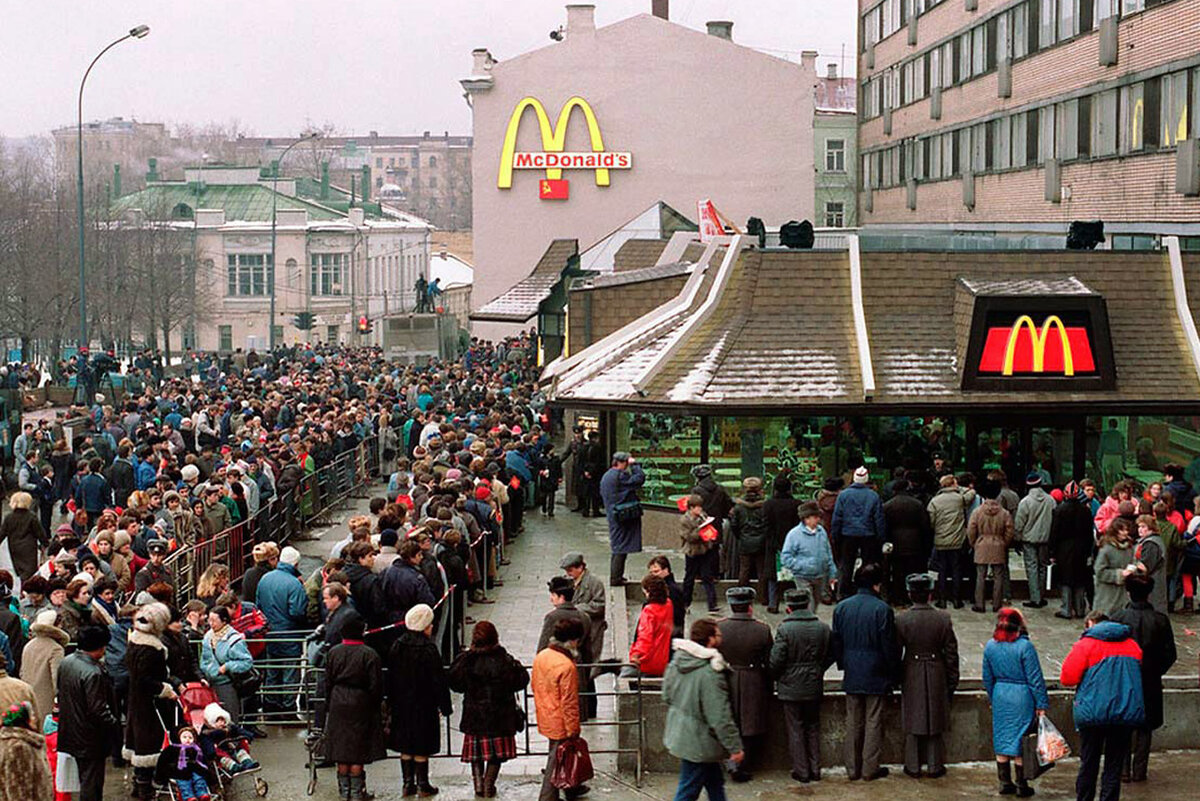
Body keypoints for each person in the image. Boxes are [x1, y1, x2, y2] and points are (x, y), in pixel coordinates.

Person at [1060, 612, 1145, 801]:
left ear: (1091, 623)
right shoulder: (1132, 646)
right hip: (1124, 712)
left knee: (1089, 762)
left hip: (1092, 713)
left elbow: (1067, 678)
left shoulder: (1085, 645)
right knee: (1114, 766)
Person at [662, 618, 744, 801]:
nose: (721, 638)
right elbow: (719, 715)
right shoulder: (710, 673)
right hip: (700, 741)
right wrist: (735, 747)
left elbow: (666, 695)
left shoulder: (677, 662)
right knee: (688, 791)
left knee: (714, 783)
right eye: (718, 634)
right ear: (710, 639)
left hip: (682, 733)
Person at [831, 562, 898, 781]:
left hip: (852, 669)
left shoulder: (842, 608)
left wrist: (843, 663)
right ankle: (870, 768)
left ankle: (852, 768)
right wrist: (893, 673)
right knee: (873, 720)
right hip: (876, 671)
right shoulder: (882, 609)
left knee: (853, 720)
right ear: (877, 585)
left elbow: (836, 642)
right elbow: (889, 646)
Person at [448, 621, 530, 798]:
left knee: (476, 754)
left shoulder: (467, 659)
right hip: (500, 717)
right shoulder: (504, 659)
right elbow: (522, 679)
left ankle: (478, 784)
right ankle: (488, 784)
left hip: (474, 716)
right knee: (495, 755)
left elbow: (455, 682)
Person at [1110, 574, 1176, 783]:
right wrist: (1155, 671)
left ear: (1128, 592)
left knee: (1123, 726)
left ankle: (1123, 770)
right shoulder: (1160, 620)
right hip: (1150, 680)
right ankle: (1139, 770)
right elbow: (1170, 654)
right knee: (1145, 728)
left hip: (1123, 681)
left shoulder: (1117, 618)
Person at [895, 573, 959, 778]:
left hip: (911, 669)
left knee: (912, 717)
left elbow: (895, 652)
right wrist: (952, 679)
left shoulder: (901, 619)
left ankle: (912, 765)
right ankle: (935, 764)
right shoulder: (943, 618)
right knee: (935, 717)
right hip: (936, 669)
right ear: (930, 594)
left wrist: (896, 677)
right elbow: (951, 653)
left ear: (910, 594)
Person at [981, 608, 1049, 798]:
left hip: (1000, 695)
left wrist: (993, 697)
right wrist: (1041, 704)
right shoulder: (1025, 647)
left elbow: (987, 677)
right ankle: (1021, 784)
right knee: (1021, 741)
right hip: (1022, 697)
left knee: (1002, 738)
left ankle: (1004, 782)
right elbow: (1035, 679)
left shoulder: (990, 646)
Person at [769, 585, 832, 784]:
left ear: (789, 607)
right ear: (807, 604)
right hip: (813, 684)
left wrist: (779, 676)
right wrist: (818, 669)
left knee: (795, 728)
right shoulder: (822, 628)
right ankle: (815, 769)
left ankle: (801, 770)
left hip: (791, 687)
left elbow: (776, 660)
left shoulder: (784, 629)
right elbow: (831, 654)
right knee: (813, 727)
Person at [387, 603, 451, 797]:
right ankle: (423, 784)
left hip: (401, 704)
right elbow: (438, 680)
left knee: (406, 744)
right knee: (421, 745)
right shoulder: (429, 649)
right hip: (424, 704)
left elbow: (390, 676)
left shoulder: (398, 645)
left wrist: (390, 701)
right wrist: (445, 706)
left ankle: (408, 784)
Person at [716, 586, 772, 782]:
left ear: (731, 605)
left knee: (730, 723)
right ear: (750, 606)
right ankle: (742, 765)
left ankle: (731, 763)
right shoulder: (762, 629)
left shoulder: (720, 627)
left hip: (727, 678)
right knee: (750, 727)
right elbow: (769, 661)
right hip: (753, 680)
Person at [325, 617, 384, 801]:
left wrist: (328, 703)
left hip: (338, 700)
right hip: (361, 702)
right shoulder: (369, 654)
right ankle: (358, 793)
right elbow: (376, 685)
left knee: (341, 749)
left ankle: (344, 793)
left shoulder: (333, 652)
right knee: (358, 750)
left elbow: (327, 681)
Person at [56, 625, 116, 801]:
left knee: (86, 779)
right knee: (92, 782)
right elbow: (98, 709)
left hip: (71, 730)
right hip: (90, 737)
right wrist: (113, 724)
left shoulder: (66, 662)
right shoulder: (93, 673)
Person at [123, 602, 177, 800]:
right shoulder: (152, 648)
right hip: (149, 703)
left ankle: (138, 785)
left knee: (139, 743)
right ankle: (144, 788)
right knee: (148, 745)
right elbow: (145, 679)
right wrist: (165, 689)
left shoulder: (135, 640)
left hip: (136, 700)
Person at [532, 617, 585, 801]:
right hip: (560, 720)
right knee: (555, 760)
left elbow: (535, 685)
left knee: (556, 755)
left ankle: (569, 789)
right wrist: (573, 729)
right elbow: (569, 702)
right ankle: (547, 797)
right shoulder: (567, 666)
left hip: (545, 713)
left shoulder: (542, 656)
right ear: (573, 640)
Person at [255, 545, 308, 714]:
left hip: (269, 633)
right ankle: (288, 707)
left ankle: (270, 706)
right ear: (295, 564)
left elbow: (258, 606)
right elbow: (297, 612)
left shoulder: (265, 579)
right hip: (289, 634)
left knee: (272, 671)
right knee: (290, 673)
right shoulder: (294, 584)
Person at [831, 466, 886, 601]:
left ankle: (842, 593)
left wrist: (835, 535)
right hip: (868, 534)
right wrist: (881, 538)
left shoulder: (843, 495)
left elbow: (837, 517)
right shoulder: (873, 496)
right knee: (868, 565)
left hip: (848, 534)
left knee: (846, 565)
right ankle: (867, 590)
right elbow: (878, 519)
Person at [926, 474, 975, 608]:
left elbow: (931, 521)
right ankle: (956, 599)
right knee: (956, 569)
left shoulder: (934, 501)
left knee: (942, 570)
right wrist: (959, 488)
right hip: (957, 539)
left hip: (941, 539)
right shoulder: (959, 499)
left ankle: (942, 599)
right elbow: (972, 492)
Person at [199, 606, 254, 723]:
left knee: (229, 718)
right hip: (209, 683)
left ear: (224, 621)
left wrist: (227, 666)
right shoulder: (208, 637)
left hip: (227, 684)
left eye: (214, 620)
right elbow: (204, 659)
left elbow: (246, 662)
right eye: (209, 620)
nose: (211, 624)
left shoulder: (234, 640)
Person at [883, 477, 934, 604]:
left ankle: (898, 597)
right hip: (915, 543)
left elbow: (884, 527)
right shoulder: (917, 504)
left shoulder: (888, 505)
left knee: (897, 572)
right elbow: (925, 526)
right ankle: (912, 596)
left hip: (896, 543)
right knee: (913, 570)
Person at [1051, 481, 1098, 620]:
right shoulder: (1085, 511)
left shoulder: (1060, 510)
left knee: (1065, 579)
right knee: (1080, 578)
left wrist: (1052, 551)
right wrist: (1089, 551)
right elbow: (1089, 534)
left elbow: (1054, 533)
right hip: (1081, 549)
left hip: (1064, 550)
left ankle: (1066, 608)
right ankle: (1080, 608)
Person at [599, 451, 645, 587]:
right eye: (626, 463)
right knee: (620, 548)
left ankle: (617, 576)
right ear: (621, 462)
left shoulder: (607, 475)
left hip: (613, 514)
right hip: (621, 516)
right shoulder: (620, 476)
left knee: (618, 546)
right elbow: (639, 479)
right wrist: (635, 465)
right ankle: (616, 578)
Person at [968, 479, 1015, 613]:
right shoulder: (1004, 513)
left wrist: (974, 543)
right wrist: (1003, 542)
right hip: (998, 543)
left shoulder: (977, 512)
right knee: (998, 576)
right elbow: (1009, 531)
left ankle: (979, 604)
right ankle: (997, 604)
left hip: (982, 543)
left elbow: (971, 530)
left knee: (980, 575)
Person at [779, 501, 837, 609]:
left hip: (820, 575)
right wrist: (802, 566)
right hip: (803, 576)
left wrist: (832, 572)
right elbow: (785, 557)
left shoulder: (821, 532)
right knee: (808, 604)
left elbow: (828, 552)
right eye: (815, 517)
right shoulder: (794, 534)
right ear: (806, 519)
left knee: (815, 604)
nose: (818, 519)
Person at [730, 477, 773, 611]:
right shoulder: (765, 506)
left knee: (744, 570)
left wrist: (741, 536)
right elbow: (768, 524)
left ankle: (741, 597)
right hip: (761, 542)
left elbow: (734, 525)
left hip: (745, 541)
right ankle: (764, 598)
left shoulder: (739, 507)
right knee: (761, 571)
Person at [1015, 473, 1056, 609]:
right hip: (1045, 538)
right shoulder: (1050, 500)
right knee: (1042, 567)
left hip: (1029, 539)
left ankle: (1035, 598)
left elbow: (1019, 523)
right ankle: (1041, 596)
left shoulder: (1025, 502)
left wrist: (1017, 538)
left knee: (1032, 568)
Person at [762, 474, 801, 614]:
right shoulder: (797, 504)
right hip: (794, 544)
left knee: (773, 575)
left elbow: (766, 525)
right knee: (794, 575)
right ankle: (794, 603)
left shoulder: (768, 504)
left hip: (774, 544)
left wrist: (772, 542)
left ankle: (773, 603)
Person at [20, 609, 66, 727]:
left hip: (28, 698)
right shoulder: (56, 649)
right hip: (47, 701)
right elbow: (57, 680)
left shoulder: (28, 646)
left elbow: (22, 673)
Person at [0, 700, 53, 801]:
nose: (35, 719)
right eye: (32, 715)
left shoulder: (10, 742)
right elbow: (19, 788)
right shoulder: (19, 747)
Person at [627, 574, 674, 678]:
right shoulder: (668, 604)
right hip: (663, 659)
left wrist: (636, 654)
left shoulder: (649, 611)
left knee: (624, 676)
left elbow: (645, 637)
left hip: (647, 662)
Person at [679, 493, 719, 614]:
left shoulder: (703, 516)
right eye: (698, 507)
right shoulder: (685, 520)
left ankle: (712, 604)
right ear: (691, 508)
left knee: (707, 576)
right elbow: (688, 537)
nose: (700, 509)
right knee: (689, 578)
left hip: (705, 550)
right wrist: (700, 531)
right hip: (692, 551)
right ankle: (685, 603)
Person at [154, 726, 215, 801]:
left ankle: (202, 794)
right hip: (179, 770)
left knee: (199, 779)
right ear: (179, 738)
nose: (187, 739)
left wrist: (205, 770)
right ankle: (189, 796)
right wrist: (162, 774)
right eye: (184, 737)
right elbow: (162, 761)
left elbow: (203, 761)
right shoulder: (173, 748)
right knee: (184, 782)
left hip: (195, 769)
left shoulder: (197, 749)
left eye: (190, 737)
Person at [0, 492, 48, 582]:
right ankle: (26, 588)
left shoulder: (9, 517)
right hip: (29, 548)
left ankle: (24, 586)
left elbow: (2, 533)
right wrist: (45, 543)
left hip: (14, 547)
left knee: (20, 571)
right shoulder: (31, 517)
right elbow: (40, 532)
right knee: (30, 573)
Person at [1094, 519, 1135, 616]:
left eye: (1126, 530)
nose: (1125, 533)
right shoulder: (1106, 549)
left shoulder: (1129, 547)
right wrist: (1120, 574)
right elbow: (1099, 571)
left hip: (1124, 593)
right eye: (1122, 530)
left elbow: (1132, 561)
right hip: (1107, 594)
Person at [1132, 516, 1167, 614]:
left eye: (1143, 527)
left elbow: (1145, 566)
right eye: (1139, 526)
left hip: (1152, 586)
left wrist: (1130, 568)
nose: (1140, 529)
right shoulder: (1148, 541)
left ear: (1151, 528)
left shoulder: (1151, 544)